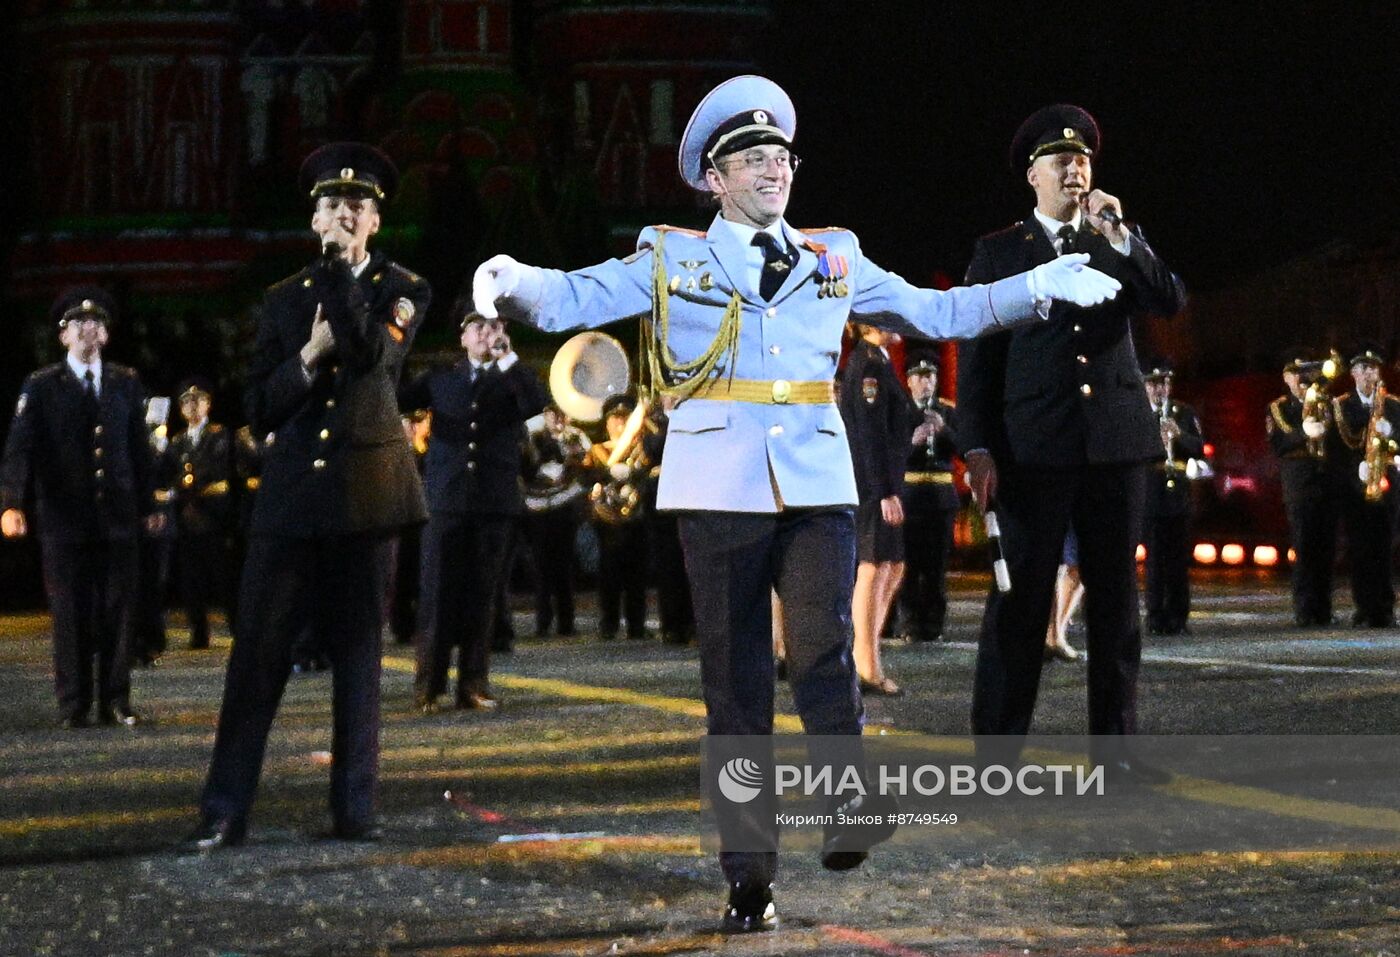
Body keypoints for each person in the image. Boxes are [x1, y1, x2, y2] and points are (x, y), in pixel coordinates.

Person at [470, 75, 1121, 932]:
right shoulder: (674, 257)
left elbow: (938, 309)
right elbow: (574, 298)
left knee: (822, 650)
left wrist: (1037, 288)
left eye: (781, 155)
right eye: (752, 158)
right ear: (714, 177)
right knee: (737, 691)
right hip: (718, 490)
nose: (774, 169)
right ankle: (748, 873)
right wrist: (513, 282)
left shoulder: (834, 254)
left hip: (816, 483)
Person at [185, 142, 430, 850]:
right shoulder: (281, 300)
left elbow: (374, 357)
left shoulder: (402, 288)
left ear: (375, 222)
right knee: (255, 658)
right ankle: (223, 810)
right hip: (292, 500)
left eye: (357, 206)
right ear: (313, 215)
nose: (343, 214)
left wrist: (340, 282)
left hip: (366, 497)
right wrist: (305, 356)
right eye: (330, 205)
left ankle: (354, 808)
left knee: (358, 661)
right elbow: (260, 404)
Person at [955, 104, 1186, 779]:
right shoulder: (1000, 253)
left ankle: (1115, 754)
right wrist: (977, 448)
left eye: (1083, 159)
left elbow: (1169, 300)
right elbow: (979, 359)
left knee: (1116, 606)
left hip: (1115, 447)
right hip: (1034, 450)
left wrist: (1124, 239)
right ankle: (996, 756)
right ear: (1033, 175)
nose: (1075, 168)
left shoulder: (1112, 241)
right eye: (1061, 160)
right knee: (1020, 605)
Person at [1, 286, 163, 728]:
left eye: (96, 324)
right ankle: (74, 703)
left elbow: (139, 449)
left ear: (106, 336)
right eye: (78, 324)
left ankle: (116, 700)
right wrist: (11, 503)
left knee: (119, 612)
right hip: (64, 520)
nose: (88, 330)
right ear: (63, 336)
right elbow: (20, 449)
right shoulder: (41, 387)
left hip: (117, 518)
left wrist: (149, 503)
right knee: (71, 614)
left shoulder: (125, 384)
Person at [399, 306, 549, 712]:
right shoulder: (441, 377)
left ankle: (473, 684)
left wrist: (510, 359)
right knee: (437, 596)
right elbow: (395, 397)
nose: (487, 333)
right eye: (478, 328)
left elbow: (537, 403)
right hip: (446, 501)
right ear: (463, 338)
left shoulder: (511, 378)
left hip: (493, 503)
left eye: (495, 327)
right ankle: (428, 686)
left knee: (483, 598)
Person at [839, 322, 911, 696]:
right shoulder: (868, 365)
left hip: (885, 481)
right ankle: (866, 664)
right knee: (875, 564)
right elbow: (869, 433)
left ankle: (864, 652)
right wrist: (884, 491)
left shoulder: (878, 361)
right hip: (873, 485)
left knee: (892, 565)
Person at [1328, 346, 1400, 627]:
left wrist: (1391, 434)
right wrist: (1353, 472)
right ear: (1353, 373)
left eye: (1374, 369)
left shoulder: (1393, 404)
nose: (1371, 374)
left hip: (1387, 485)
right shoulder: (1341, 405)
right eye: (1365, 369)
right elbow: (1335, 448)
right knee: (1359, 548)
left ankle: (1384, 607)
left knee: (1384, 547)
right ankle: (1364, 606)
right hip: (1354, 486)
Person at [1267, 352, 1338, 626]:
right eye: (1297, 374)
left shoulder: (1327, 402)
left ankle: (1324, 608)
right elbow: (1279, 443)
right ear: (1286, 378)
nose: (1303, 380)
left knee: (1326, 547)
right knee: (1305, 546)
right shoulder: (1279, 407)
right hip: (1299, 483)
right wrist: (1303, 432)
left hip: (1326, 481)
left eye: (1307, 374)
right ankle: (1305, 609)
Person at [167, 378, 234, 650]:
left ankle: (238, 627)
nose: (192, 407)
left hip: (213, 518)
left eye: (198, 401)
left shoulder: (219, 435)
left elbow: (222, 474)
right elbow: (171, 474)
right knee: (191, 580)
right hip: (188, 518)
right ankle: (199, 632)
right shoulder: (178, 441)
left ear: (208, 404)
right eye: (186, 402)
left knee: (223, 577)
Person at [1141, 358, 1204, 636]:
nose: (1160, 389)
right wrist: (1158, 440)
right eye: (1154, 383)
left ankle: (1179, 615)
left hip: (1177, 491)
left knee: (1179, 559)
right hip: (1151, 490)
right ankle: (1156, 616)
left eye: (1165, 383)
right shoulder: (1138, 414)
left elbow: (1199, 447)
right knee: (1155, 559)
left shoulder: (1183, 412)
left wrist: (1178, 436)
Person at [899, 356, 960, 644]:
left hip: (940, 498)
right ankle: (910, 623)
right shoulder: (900, 411)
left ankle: (934, 624)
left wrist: (943, 430)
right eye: (921, 377)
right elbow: (889, 452)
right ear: (909, 381)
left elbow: (964, 449)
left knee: (936, 568)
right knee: (908, 566)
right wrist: (912, 442)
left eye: (931, 377)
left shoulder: (946, 410)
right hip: (910, 497)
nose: (927, 383)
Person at [584, 392, 654, 641]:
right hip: (608, 522)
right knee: (609, 575)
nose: (620, 423)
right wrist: (604, 477)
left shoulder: (642, 448)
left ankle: (636, 625)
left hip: (635, 519)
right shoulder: (597, 450)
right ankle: (609, 623)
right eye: (615, 419)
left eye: (625, 418)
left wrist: (634, 477)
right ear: (607, 423)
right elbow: (587, 478)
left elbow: (648, 475)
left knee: (637, 575)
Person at [524, 403, 590, 638]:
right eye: (553, 413)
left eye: (561, 413)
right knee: (541, 567)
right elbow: (526, 466)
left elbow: (586, 465)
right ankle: (543, 622)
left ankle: (566, 621)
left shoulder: (575, 436)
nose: (558, 418)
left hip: (564, 505)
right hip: (538, 507)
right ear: (545, 414)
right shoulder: (532, 433)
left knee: (563, 566)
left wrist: (571, 454)